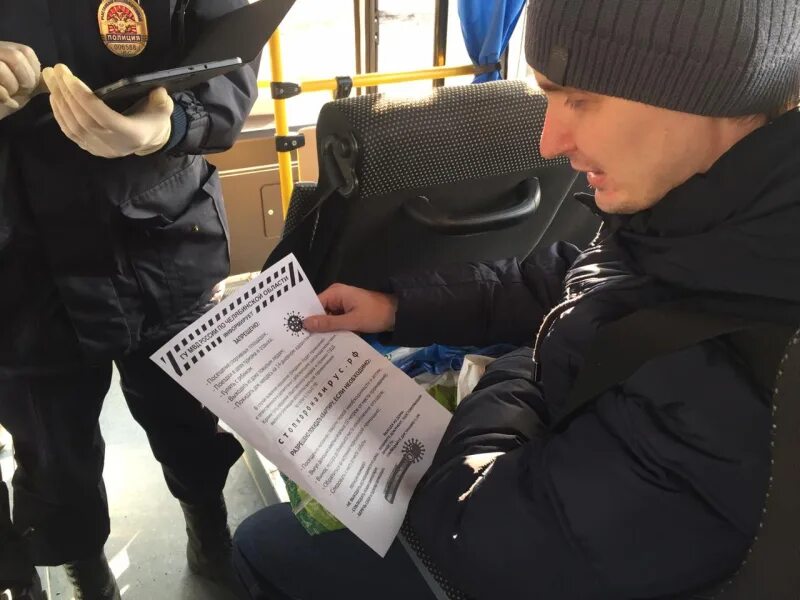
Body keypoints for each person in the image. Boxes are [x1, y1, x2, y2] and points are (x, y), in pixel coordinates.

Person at [232, 1, 800, 599]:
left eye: (579, 99)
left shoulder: (744, 366)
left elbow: (476, 535)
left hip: (504, 548)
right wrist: (399, 306)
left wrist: (512, 367)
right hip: (554, 485)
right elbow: (586, 280)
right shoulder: (703, 211)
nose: (550, 143)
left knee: (261, 546)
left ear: (701, 89)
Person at [0, 1, 258, 597]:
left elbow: (230, 43)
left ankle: (209, 531)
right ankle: (87, 573)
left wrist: (171, 125)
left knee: (189, 420)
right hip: (20, 271)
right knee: (52, 457)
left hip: (160, 237)